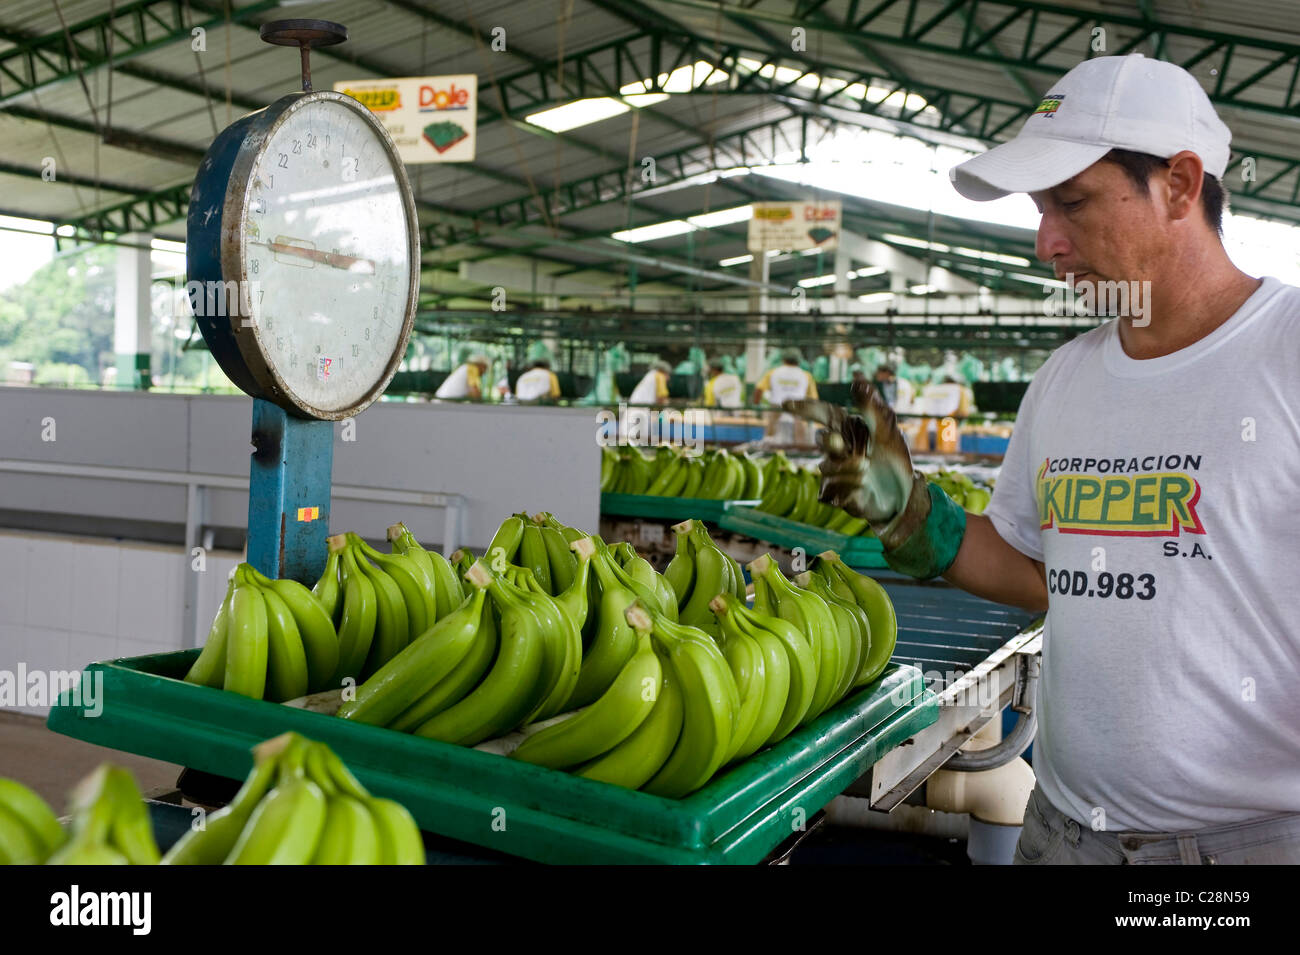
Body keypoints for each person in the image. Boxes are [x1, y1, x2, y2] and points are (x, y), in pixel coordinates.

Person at [787, 53, 1300, 864]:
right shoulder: (1065, 380)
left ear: (1180, 184)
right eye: (1038, 210)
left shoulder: (1286, 352)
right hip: (1061, 829)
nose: (1045, 243)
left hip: (1246, 848)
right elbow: (1035, 569)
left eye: (1073, 201)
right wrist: (912, 514)